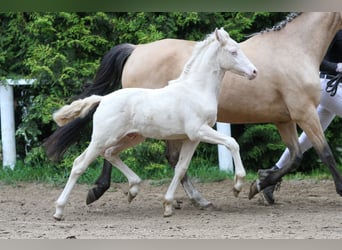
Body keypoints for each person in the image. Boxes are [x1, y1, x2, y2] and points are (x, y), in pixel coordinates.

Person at [261, 29, 342, 205]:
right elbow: (316, 60)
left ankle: (270, 176)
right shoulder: (335, 32)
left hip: (334, 89)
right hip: (328, 87)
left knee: (308, 139)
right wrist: (337, 67)